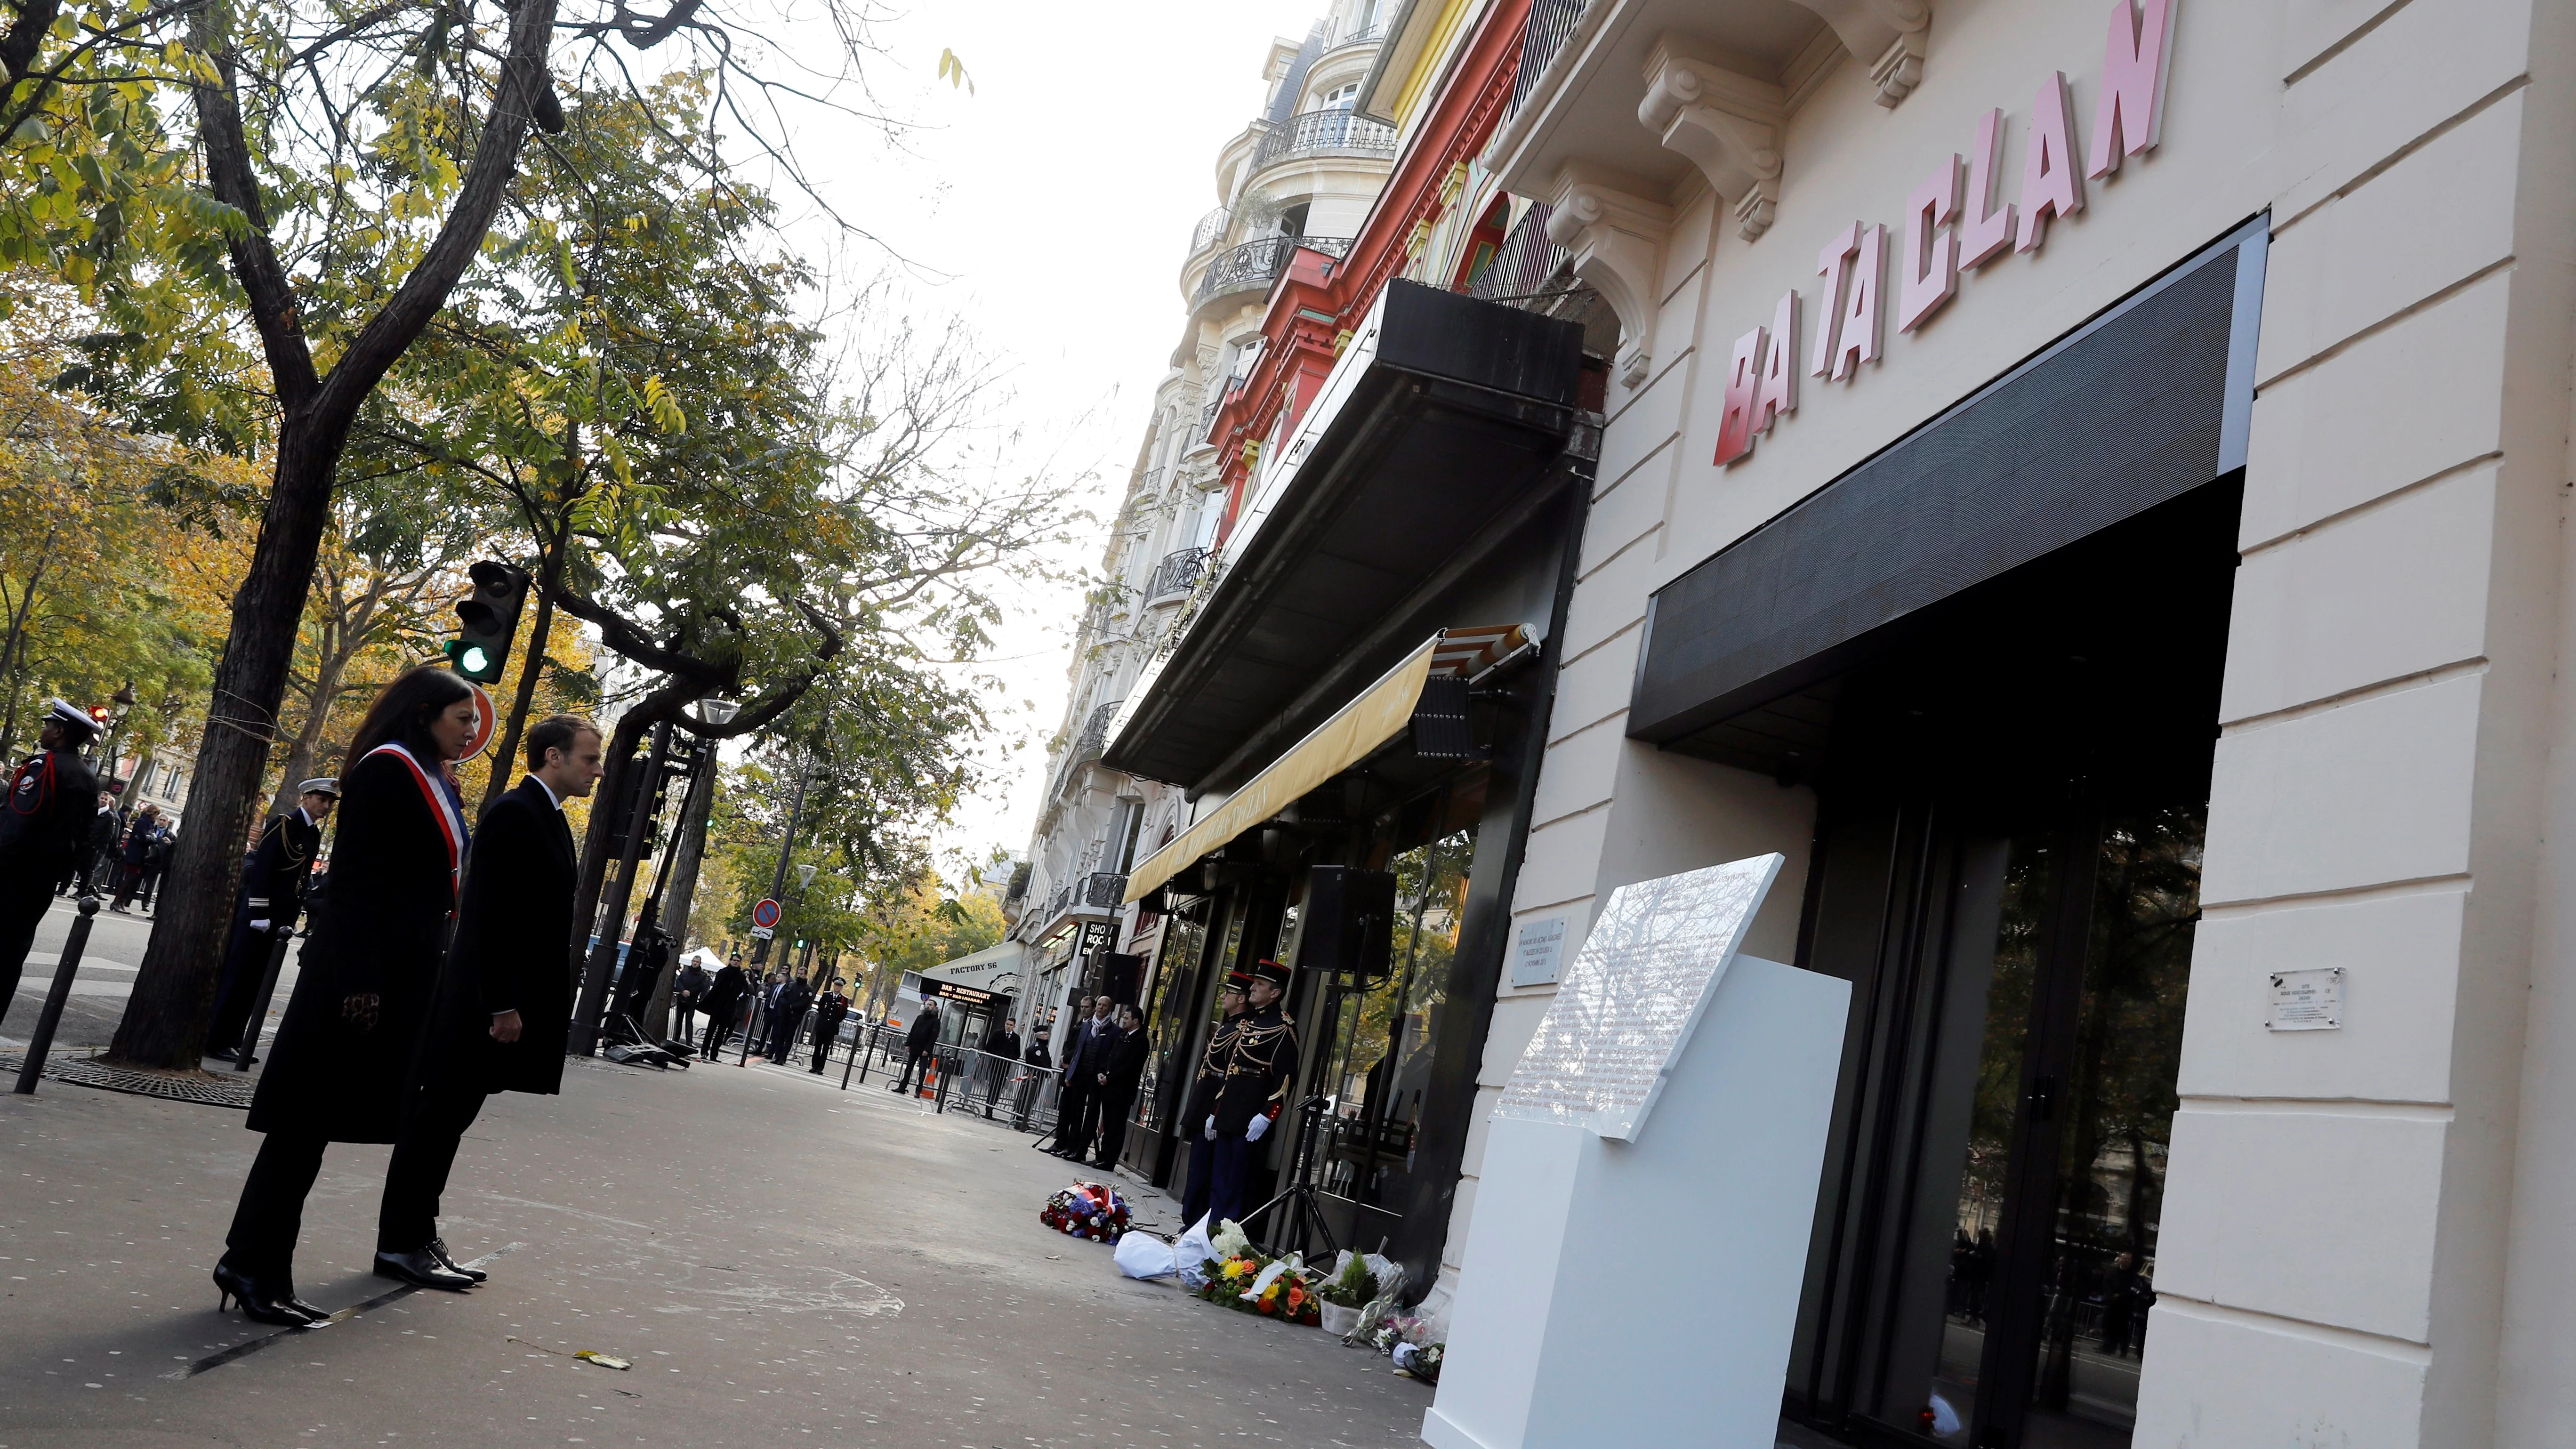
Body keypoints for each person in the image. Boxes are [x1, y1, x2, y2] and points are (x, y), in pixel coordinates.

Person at [215, 667, 481, 1324]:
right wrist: (361, 982)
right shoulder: (389, 770)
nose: (473, 731)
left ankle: (258, 1262)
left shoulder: (432, 777)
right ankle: (252, 1263)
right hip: (357, 980)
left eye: (474, 719)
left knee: (313, 1129)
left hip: (395, 974)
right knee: (302, 1127)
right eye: (462, 718)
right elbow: (359, 885)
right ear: (423, 714)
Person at [380, 713, 602, 1290]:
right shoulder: (515, 812)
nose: (598, 770)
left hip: (498, 1000)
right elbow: (490, 918)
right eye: (588, 759)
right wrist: (502, 1003)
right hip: (482, 1004)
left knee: (451, 1120)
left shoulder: (545, 817)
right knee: (438, 1121)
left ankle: (417, 1235)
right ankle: (402, 1241)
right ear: (553, 757)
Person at [206, 779, 340, 1065]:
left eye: (330, 802)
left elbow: (301, 879)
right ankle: (215, 1038)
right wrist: (258, 913)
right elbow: (263, 869)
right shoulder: (284, 824)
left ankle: (233, 1038)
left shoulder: (312, 833)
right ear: (306, 798)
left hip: (280, 918)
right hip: (261, 917)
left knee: (255, 982)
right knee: (238, 978)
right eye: (321, 799)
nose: (326, 806)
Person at [0, 700, 100, 1027]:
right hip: (44, 877)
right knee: (14, 952)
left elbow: (18, 825)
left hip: (13, 873)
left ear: (59, 732)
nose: (43, 730)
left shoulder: (43, 768)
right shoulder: (87, 777)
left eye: (48, 725)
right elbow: (85, 837)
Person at [1208, 959, 1300, 1229]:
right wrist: (1216, 1111)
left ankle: (1227, 1245)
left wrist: (1268, 1116)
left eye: (1260, 985)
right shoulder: (1249, 1024)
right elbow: (1232, 1073)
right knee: (1220, 1181)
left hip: (1251, 1118)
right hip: (1229, 1113)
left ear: (1276, 993)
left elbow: (1285, 1078)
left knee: (1238, 1185)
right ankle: (1211, 1234)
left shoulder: (1283, 1027)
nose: (1254, 988)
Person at [1180, 969, 1252, 1227]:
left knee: (1207, 1174)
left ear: (1241, 998)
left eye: (1229, 993)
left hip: (1215, 1106)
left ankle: (1197, 1225)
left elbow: (1229, 1076)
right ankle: (1190, 1223)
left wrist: (1215, 1110)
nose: (1223, 996)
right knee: (1198, 1171)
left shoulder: (1242, 1030)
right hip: (1205, 1107)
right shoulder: (1228, 1027)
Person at [1048, 994, 1119, 1158]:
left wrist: (1105, 1073)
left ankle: (1080, 1149)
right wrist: (1070, 1073)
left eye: (1104, 1006)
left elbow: (1111, 1056)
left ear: (1110, 1009)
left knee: (1091, 1115)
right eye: (1100, 1004)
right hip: (1081, 1075)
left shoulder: (1114, 1031)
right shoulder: (1086, 1026)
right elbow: (1079, 1051)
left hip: (1097, 1078)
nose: (1101, 1008)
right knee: (1075, 1111)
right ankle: (1067, 1145)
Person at [1092, 1004, 1150, 1169]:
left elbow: (1130, 1066)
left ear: (1136, 1021)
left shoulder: (1141, 1041)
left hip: (1122, 1091)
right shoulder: (1122, 1036)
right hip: (1109, 1088)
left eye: (1127, 1018)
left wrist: (1109, 1078)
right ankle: (1102, 1156)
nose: (1124, 1021)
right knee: (1108, 1124)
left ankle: (1110, 1160)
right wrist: (1102, 1072)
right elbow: (1111, 1057)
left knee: (1117, 1126)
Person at [108, 800, 163, 912]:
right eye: (156, 815)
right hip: (135, 854)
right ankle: (117, 901)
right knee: (129, 879)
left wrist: (151, 838)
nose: (156, 818)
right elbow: (144, 838)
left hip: (141, 855)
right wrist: (153, 839)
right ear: (153, 814)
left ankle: (121, 901)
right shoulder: (142, 822)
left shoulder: (150, 824)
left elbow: (149, 837)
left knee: (132, 880)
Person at [62, 788, 115, 897]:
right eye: (102, 798)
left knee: (87, 870)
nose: (103, 801)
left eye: (106, 799)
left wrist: (97, 847)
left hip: (93, 848)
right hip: (82, 843)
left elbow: (109, 835)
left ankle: (81, 892)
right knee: (72, 866)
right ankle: (63, 888)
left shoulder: (109, 817)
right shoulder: (91, 810)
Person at [699, 954, 750, 1060]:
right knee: (711, 1030)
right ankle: (704, 1052)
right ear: (730, 961)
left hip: (730, 1007)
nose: (736, 962)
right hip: (718, 1005)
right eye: (734, 960)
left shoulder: (741, 977)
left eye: (738, 961)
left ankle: (714, 1054)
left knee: (721, 1032)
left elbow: (740, 991)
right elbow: (717, 988)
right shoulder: (723, 973)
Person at [895, 998, 941, 1095]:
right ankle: (902, 1087)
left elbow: (933, 1037)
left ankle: (918, 1091)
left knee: (922, 1070)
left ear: (935, 1007)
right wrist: (908, 1044)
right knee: (909, 1068)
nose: (929, 1006)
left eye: (931, 1005)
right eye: (928, 1005)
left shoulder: (936, 1021)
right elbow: (913, 1030)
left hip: (924, 1050)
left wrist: (927, 1050)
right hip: (915, 1047)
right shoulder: (920, 1018)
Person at [765, 971, 813, 1063]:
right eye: (799, 973)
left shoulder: (808, 989)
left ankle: (783, 1058)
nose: (799, 975)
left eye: (802, 974)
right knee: (781, 1036)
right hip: (785, 1014)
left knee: (789, 1037)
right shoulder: (791, 985)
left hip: (795, 1016)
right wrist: (786, 1005)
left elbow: (805, 1003)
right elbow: (783, 995)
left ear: (806, 975)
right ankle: (777, 1056)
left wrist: (792, 1007)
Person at [809, 977, 850, 1073]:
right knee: (818, 1046)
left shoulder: (843, 999)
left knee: (826, 1048)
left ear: (842, 988)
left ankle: (820, 1068)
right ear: (834, 986)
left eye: (839, 986)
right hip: (822, 1024)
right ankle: (814, 1066)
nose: (837, 987)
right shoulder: (827, 995)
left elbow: (844, 1013)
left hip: (832, 1026)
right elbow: (821, 1007)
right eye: (836, 985)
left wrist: (836, 1021)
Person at [982, 1019, 1022, 1111]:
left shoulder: (1016, 1038)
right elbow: (988, 1047)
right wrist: (998, 1054)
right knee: (993, 1087)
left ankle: (992, 1106)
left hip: (1005, 1067)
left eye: (1011, 1025)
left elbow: (1017, 1053)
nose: (1008, 1027)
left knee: (999, 1088)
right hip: (995, 1065)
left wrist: (1010, 1058)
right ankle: (989, 1109)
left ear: (1014, 1026)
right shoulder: (997, 1034)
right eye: (1007, 1024)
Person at [672, 956, 709, 1043]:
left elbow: (701, 987)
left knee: (689, 1021)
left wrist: (690, 993)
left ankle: (689, 1041)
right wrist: (682, 991)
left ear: (700, 963)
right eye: (694, 961)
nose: (695, 963)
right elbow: (679, 981)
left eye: (697, 962)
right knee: (679, 1021)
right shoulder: (686, 971)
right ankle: (676, 1039)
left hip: (692, 1001)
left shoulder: (703, 975)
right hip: (682, 999)